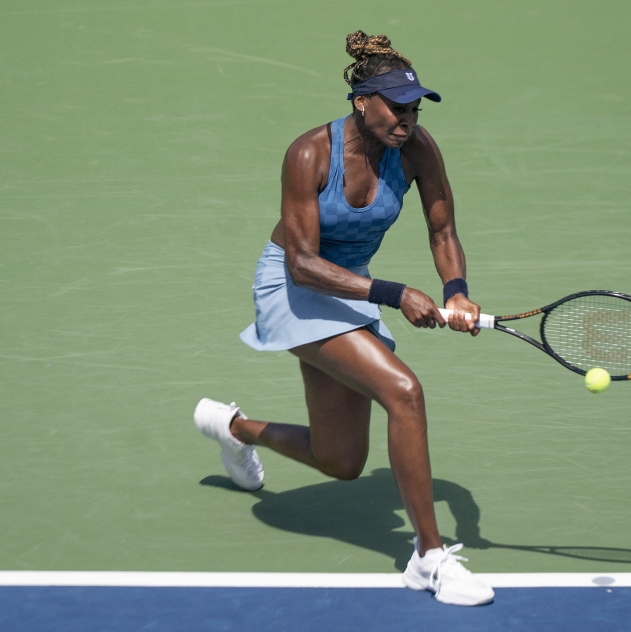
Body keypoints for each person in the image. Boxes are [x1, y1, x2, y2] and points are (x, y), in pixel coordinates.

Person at [192, 31, 493, 607]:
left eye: (413, 109)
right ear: (362, 102)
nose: (406, 119)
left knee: (341, 461)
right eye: (395, 108)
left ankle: (232, 429)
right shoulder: (310, 153)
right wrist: (394, 292)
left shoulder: (418, 149)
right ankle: (429, 559)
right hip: (293, 284)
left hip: (349, 288)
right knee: (403, 391)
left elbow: (442, 229)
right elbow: (303, 264)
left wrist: (456, 290)